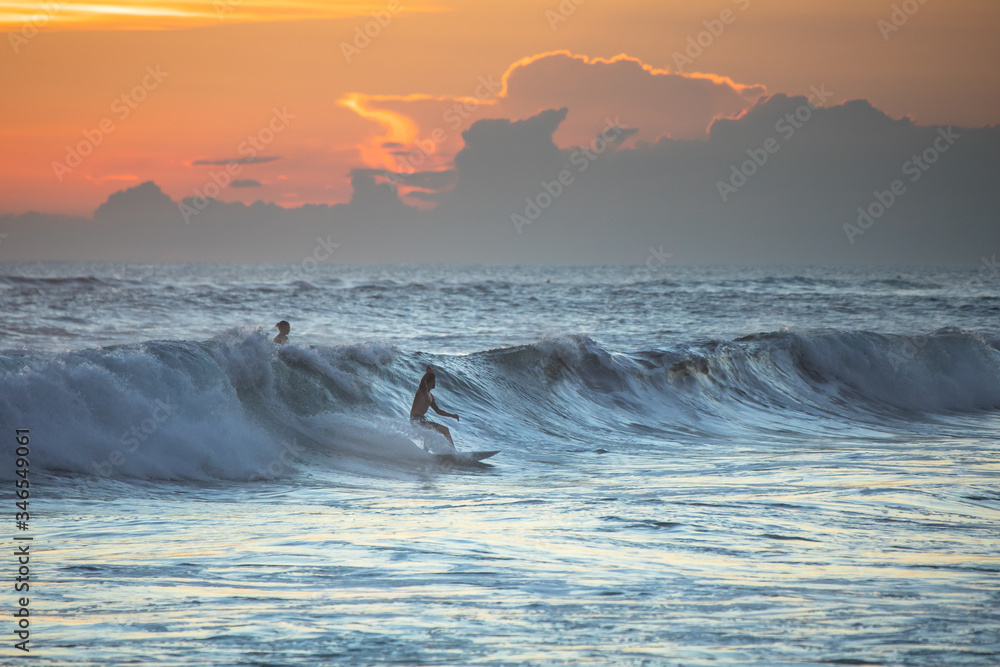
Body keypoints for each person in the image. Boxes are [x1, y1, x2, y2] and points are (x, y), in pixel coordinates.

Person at [410, 365, 459, 449]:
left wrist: (452, 415)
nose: (434, 382)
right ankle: (425, 452)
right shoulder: (422, 391)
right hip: (415, 419)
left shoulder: (431, 397)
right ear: (431, 381)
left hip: (423, 420)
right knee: (429, 429)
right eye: (433, 380)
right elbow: (422, 382)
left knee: (445, 430)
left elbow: (438, 411)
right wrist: (427, 373)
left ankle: (453, 451)